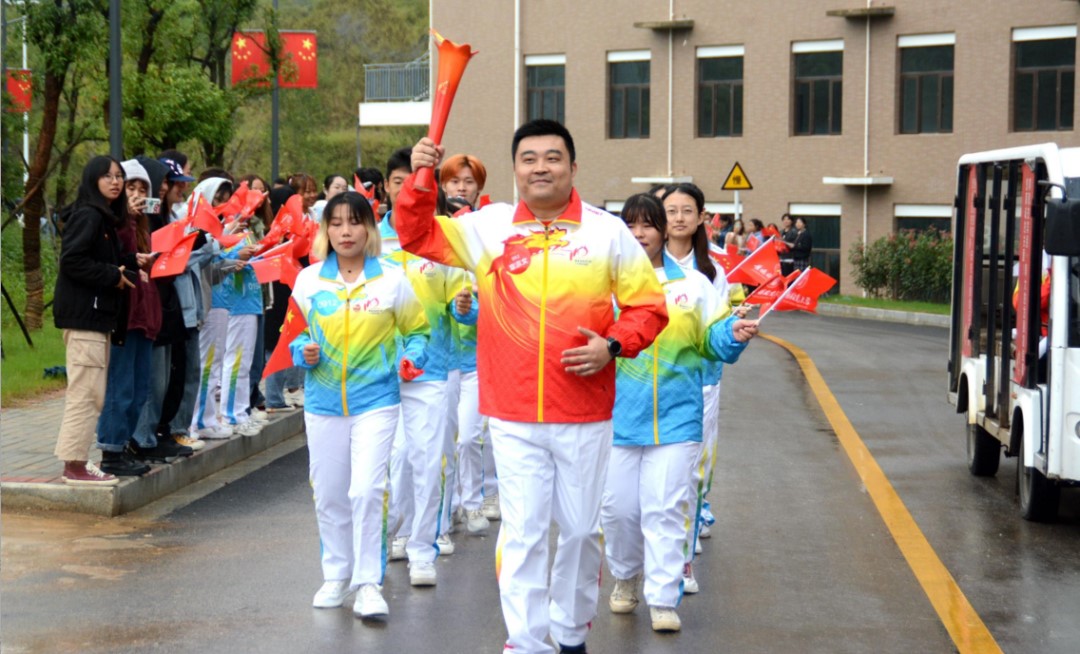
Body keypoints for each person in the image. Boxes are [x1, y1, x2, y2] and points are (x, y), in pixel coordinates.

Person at [397, 119, 669, 654]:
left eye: (552, 157)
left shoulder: (605, 231)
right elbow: (415, 233)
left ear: (572, 167)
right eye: (529, 158)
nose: (540, 167)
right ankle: (526, 642)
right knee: (521, 533)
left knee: (580, 531)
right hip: (513, 410)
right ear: (516, 168)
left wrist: (611, 346)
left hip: (584, 412)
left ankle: (570, 635)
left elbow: (648, 307)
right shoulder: (486, 227)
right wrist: (422, 173)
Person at [603, 193, 755, 633]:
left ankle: (664, 595)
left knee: (666, 508)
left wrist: (735, 334)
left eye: (647, 224)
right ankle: (626, 576)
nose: (639, 233)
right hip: (616, 418)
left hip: (676, 417)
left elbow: (714, 340)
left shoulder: (694, 286)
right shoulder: (605, 286)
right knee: (618, 511)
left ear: (662, 229)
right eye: (629, 226)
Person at [292, 191, 429, 619]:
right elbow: (291, 339)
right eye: (335, 223)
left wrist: (412, 359)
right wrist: (303, 352)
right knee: (330, 494)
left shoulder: (391, 279)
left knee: (367, 490)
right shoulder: (310, 281)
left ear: (369, 228)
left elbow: (418, 333)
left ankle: (369, 582)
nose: (345, 231)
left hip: (376, 400)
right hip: (322, 402)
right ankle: (336, 574)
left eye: (354, 222)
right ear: (325, 230)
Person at [379, 146, 461, 582]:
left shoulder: (441, 239)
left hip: (432, 366)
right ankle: (393, 534)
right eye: (400, 181)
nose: (409, 187)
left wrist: (465, 307)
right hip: (379, 370)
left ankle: (423, 547)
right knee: (394, 460)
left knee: (428, 458)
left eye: (421, 181)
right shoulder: (370, 239)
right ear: (391, 187)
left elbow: (462, 311)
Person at [52, 156, 141, 485]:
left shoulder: (102, 218)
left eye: (119, 176)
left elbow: (101, 260)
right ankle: (73, 466)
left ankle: (76, 460)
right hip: (85, 318)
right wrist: (113, 276)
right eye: (107, 177)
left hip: (98, 318)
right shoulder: (88, 215)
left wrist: (131, 261)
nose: (115, 182)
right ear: (92, 180)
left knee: (93, 394)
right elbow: (72, 261)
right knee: (86, 394)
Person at [96, 159, 190, 472]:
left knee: (139, 389)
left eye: (142, 189)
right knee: (121, 386)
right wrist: (129, 219)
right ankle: (112, 450)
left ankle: (125, 446)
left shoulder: (145, 226)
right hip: (125, 317)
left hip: (146, 318)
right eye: (131, 187)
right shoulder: (115, 223)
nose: (137, 195)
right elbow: (115, 258)